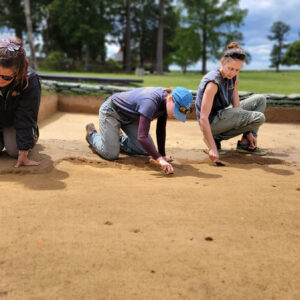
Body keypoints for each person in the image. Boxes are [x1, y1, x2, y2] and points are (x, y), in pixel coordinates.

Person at [85, 86, 194, 174]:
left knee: (146, 150)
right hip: (111, 111)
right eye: (176, 111)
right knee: (111, 154)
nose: (176, 115)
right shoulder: (150, 102)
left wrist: (161, 155)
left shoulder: (166, 102)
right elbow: (142, 137)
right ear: (170, 99)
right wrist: (158, 159)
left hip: (131, 118)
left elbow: (160, 129)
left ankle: (116, 137)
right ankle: (92, 134)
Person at [195, 41, 266, 163]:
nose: (232, 72)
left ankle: (245, 143)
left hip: (224, 115)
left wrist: (248, 132)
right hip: (211, 123)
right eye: (230, 68)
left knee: (260, 100)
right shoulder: (213, 82)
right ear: (222, 62)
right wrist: (212, 148)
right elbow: (203, 117)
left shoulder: (233, 77)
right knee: (259, 118)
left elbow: (237, 104)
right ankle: (214, 139)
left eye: (237, 70)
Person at [0, 38, 41, 168]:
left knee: (14, 151)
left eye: (6, 77)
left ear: (18, 73)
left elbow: (25, 116)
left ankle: (32, 135)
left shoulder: (30, 81)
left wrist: (23, 152)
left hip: (15, 121)